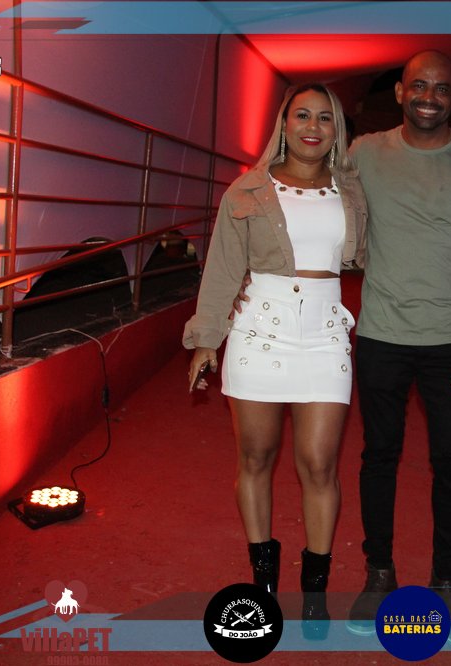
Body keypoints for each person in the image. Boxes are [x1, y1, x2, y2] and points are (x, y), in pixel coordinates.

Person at [344, 51, 451, 649]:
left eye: (442, 88)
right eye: (419, 85)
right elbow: (308, 183)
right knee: (378, 457)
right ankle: (379, 574)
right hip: (380, 335)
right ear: (400, 91)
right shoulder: (364, 153)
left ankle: (447, 582)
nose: (429, 96)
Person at [183, 84, 366, 637]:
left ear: (337, 130)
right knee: (256, 457)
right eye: (302, 115)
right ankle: (263, 579)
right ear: (284, 124)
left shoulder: (353, 189)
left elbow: (385, 254)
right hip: (258, 330)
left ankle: (315, 589)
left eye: (325, 118)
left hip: (326, 334)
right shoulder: (248, 189)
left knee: (319, 464)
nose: (313, 126)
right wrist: (206, 338)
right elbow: (222, 267)